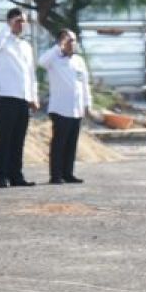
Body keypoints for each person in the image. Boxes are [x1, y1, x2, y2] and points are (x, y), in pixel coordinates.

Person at [0, 8, 40, 187]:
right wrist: (8, 27)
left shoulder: (26, 46)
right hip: (5, 96)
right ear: (10, 21)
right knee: (4, 138)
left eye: (24, 21)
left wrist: (33, 96)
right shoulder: (2, 41)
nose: (22, 24)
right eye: (18, 21)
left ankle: (16, 175)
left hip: (22, 97)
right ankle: (0, 175)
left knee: (18, 139)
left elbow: (31, 73)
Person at [38, 30, 93, 185]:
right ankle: (55, 175)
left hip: (76, 108)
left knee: (71, 143)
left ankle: (68, 173)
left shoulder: (79, 61)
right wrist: (58, 47)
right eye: (69, 40)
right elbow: (41, 62)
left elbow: (84, 83)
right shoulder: (53, 58)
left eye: (74, 40)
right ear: (61, 41)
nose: (72, 43)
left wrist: (87, 104)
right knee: (59, 144)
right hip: (60, 108)